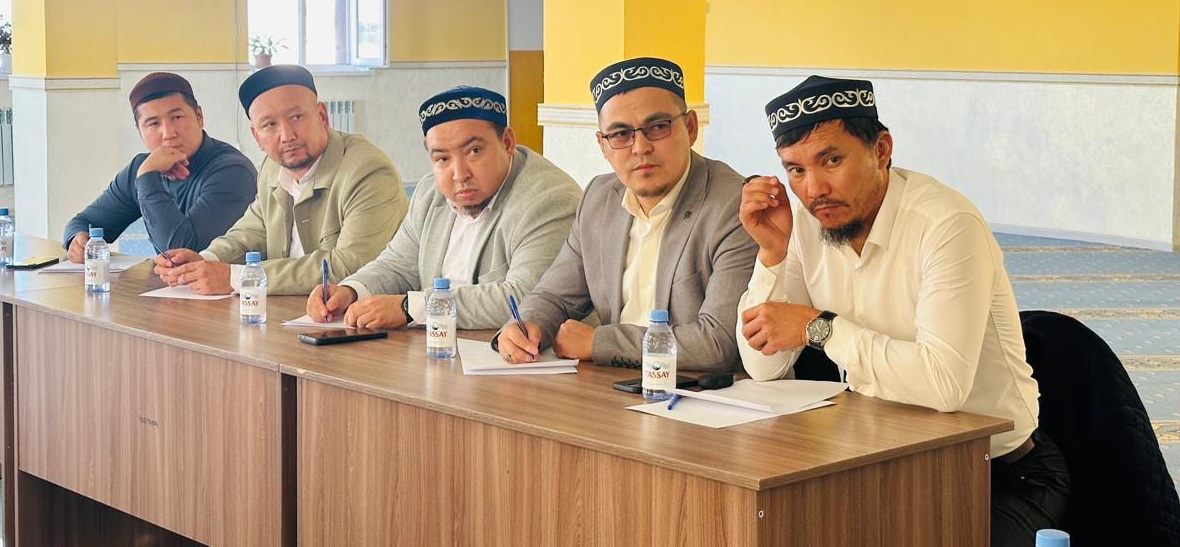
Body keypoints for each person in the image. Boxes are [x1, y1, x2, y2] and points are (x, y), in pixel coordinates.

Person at [736, 75, 1068, 544]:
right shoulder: (810, 224)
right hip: (880, 461)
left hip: (997, 475)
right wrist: (771, 255)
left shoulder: (946, 225)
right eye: (796, 170)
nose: (814, 189)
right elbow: (763, 368)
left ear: (882, 150)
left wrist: (820, 329)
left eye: (832, 160)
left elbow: (943, 384)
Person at [496, 57, 755, 370]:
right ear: (603, 145)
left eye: (658, 127)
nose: (640, 147)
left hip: (704, 393)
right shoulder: (599, 198)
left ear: (690, 128)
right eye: (620, 134)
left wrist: (598, 343)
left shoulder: (734, 205)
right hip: (612, 385)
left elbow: (717, 344)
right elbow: (555, 295)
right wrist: (524, 326)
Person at [304, 86, 582, 329]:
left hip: (524, 359)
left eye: (474, 151)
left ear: (507, 142)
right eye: (442, 159)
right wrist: (351, 291)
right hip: (442, 348)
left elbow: (528, 298)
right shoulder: (430, 192)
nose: (459, 174)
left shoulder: (549, 199)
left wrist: (412, 308)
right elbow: (398, 264)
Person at [155, 65, 407, 295]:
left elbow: (352, 264)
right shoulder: (272, 167)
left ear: (322, 116)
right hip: (286, 310)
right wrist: (206, 259)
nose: (286, 136)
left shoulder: (367, 171)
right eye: (269, 125)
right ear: (257, 136)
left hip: (356, 318)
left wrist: (240, 278)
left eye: (296, 117)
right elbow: (252, 230)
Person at [62, 72, 256, 262]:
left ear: (199, 116)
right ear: (140, 131)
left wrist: (147, 178)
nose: (168, 133)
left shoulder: (233, 171)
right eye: (153, 123)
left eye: (177, 117)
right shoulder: (141, 167)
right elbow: (83, 223)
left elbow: (182, 255)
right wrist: (77, 240)